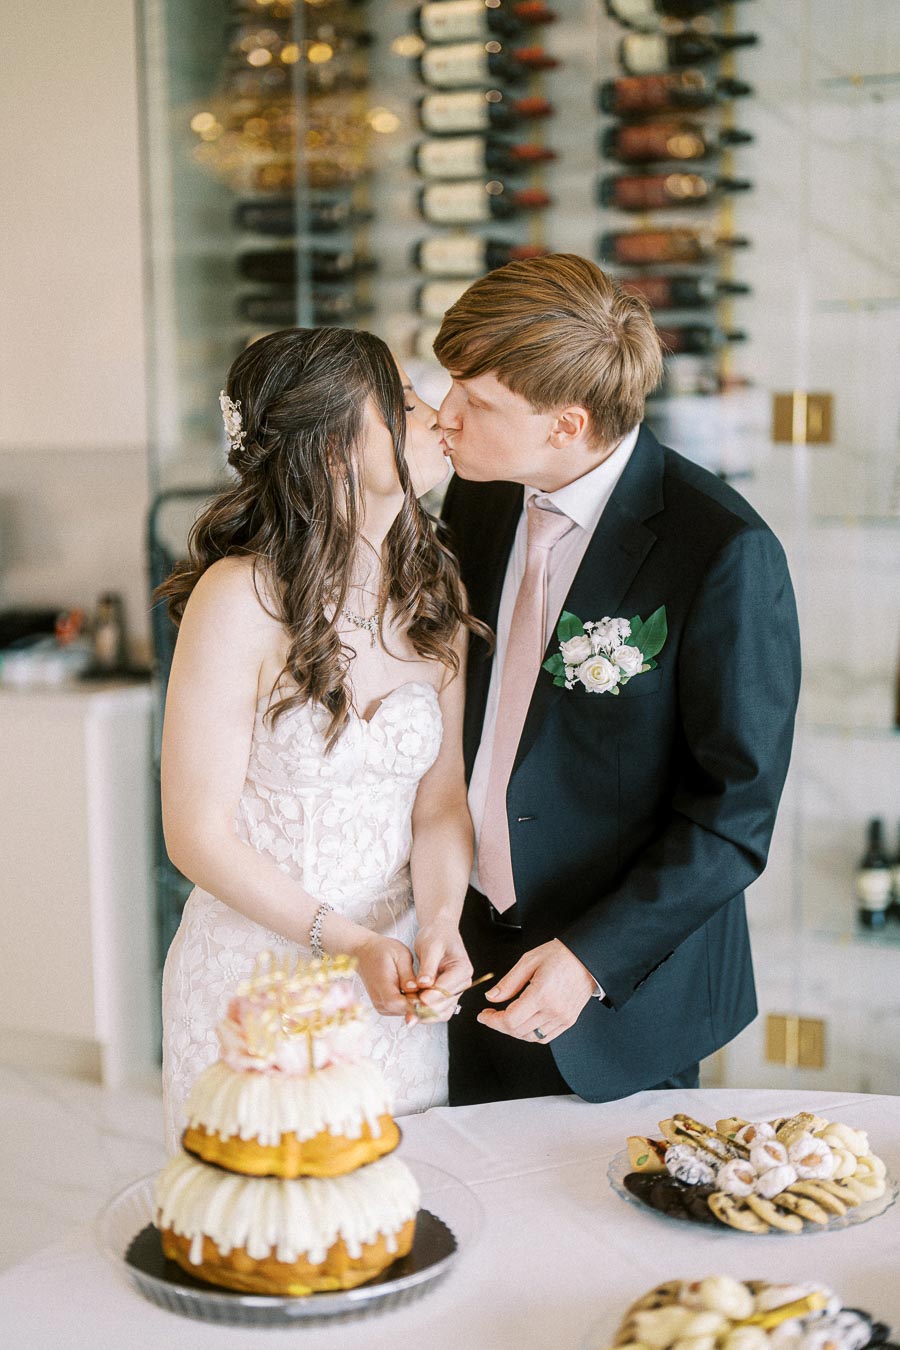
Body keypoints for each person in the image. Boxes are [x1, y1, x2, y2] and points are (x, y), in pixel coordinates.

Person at [436, 254, 801, 1105]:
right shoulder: (481, 496)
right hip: (462, 949)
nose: (445, 417)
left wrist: (590, 961)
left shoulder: (721, 550)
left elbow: (734, 814)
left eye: (477, 401)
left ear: (567, 424)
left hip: (617, 991)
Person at [157, 326, 486, 1152]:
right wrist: (349, 942)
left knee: (392, 1226)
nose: (439, 415)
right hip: (256, 981)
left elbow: (441, 801)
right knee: (267, 1237)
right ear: (337, 448)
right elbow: (195, 836)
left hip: (397, 988)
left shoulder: (432, 588)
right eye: (407, 405)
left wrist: (440, 923)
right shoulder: (239, 599)